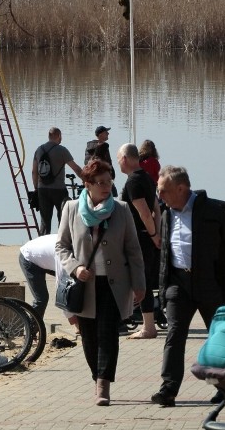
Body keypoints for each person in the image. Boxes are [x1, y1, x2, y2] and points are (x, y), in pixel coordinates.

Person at [151, 165, 225, 407]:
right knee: (174, 336)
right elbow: (165, 254)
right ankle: (168, 390)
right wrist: (165, 288)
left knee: (217, 339)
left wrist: (217, 273)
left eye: (163, 191)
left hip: (209, 284)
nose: (159, 196)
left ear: (181, 188)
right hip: (178, 286)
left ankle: (221, 389)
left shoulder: (217, 210)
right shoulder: (166, 212)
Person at [56, 159, 146, 406]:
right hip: (84, 286)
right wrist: (76, 268)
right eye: (101, 182)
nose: (107, 186)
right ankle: (96, 375)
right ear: (88, 184)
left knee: (108, 335)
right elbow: (61, 246)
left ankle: (103, 385)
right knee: (89, 337)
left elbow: (134, 251)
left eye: (109, 181)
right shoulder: (72, 209)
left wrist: (140, 284)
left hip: (114, 285)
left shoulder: (122, 209)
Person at [116, 143, 163, 340]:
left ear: (125, 159)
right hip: (148, 236)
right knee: (143, 280)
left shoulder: (133, 181)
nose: (117, 162)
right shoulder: (146, 176)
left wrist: (152, 235)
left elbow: (144, 211)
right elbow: (156, 209)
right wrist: (157, 233)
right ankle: (145, 323)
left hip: (139, 238)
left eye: (118, 158)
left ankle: (148, 327)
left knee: (139, 279)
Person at [32, 127, 82, 236]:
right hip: (59, 189)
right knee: (63, 219)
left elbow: (34, 172)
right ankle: (61, 245)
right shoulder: (62, 150)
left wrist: (36, 188)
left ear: (49, 136)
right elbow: (76, 168)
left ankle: (42, 246)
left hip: (42, 189)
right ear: (58, 136)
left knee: (45, 222)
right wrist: (87, 180)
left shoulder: (39, 150)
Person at [18, 233, 58, 320]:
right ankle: (32, 328)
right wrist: (71, 316)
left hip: (43, 256)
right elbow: (62, 287)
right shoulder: (63, 254)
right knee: (41, 298)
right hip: (29, 258)